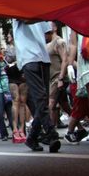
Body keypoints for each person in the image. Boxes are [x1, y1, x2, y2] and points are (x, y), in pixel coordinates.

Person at [14, 19, 61, 153]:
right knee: (40, 98)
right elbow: (26, 18)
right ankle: (51, 134)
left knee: (43, 101)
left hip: (43, 58)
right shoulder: (17, 10)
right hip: (28, 58)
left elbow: (48, 34)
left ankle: (32, 137)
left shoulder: (40, 13)